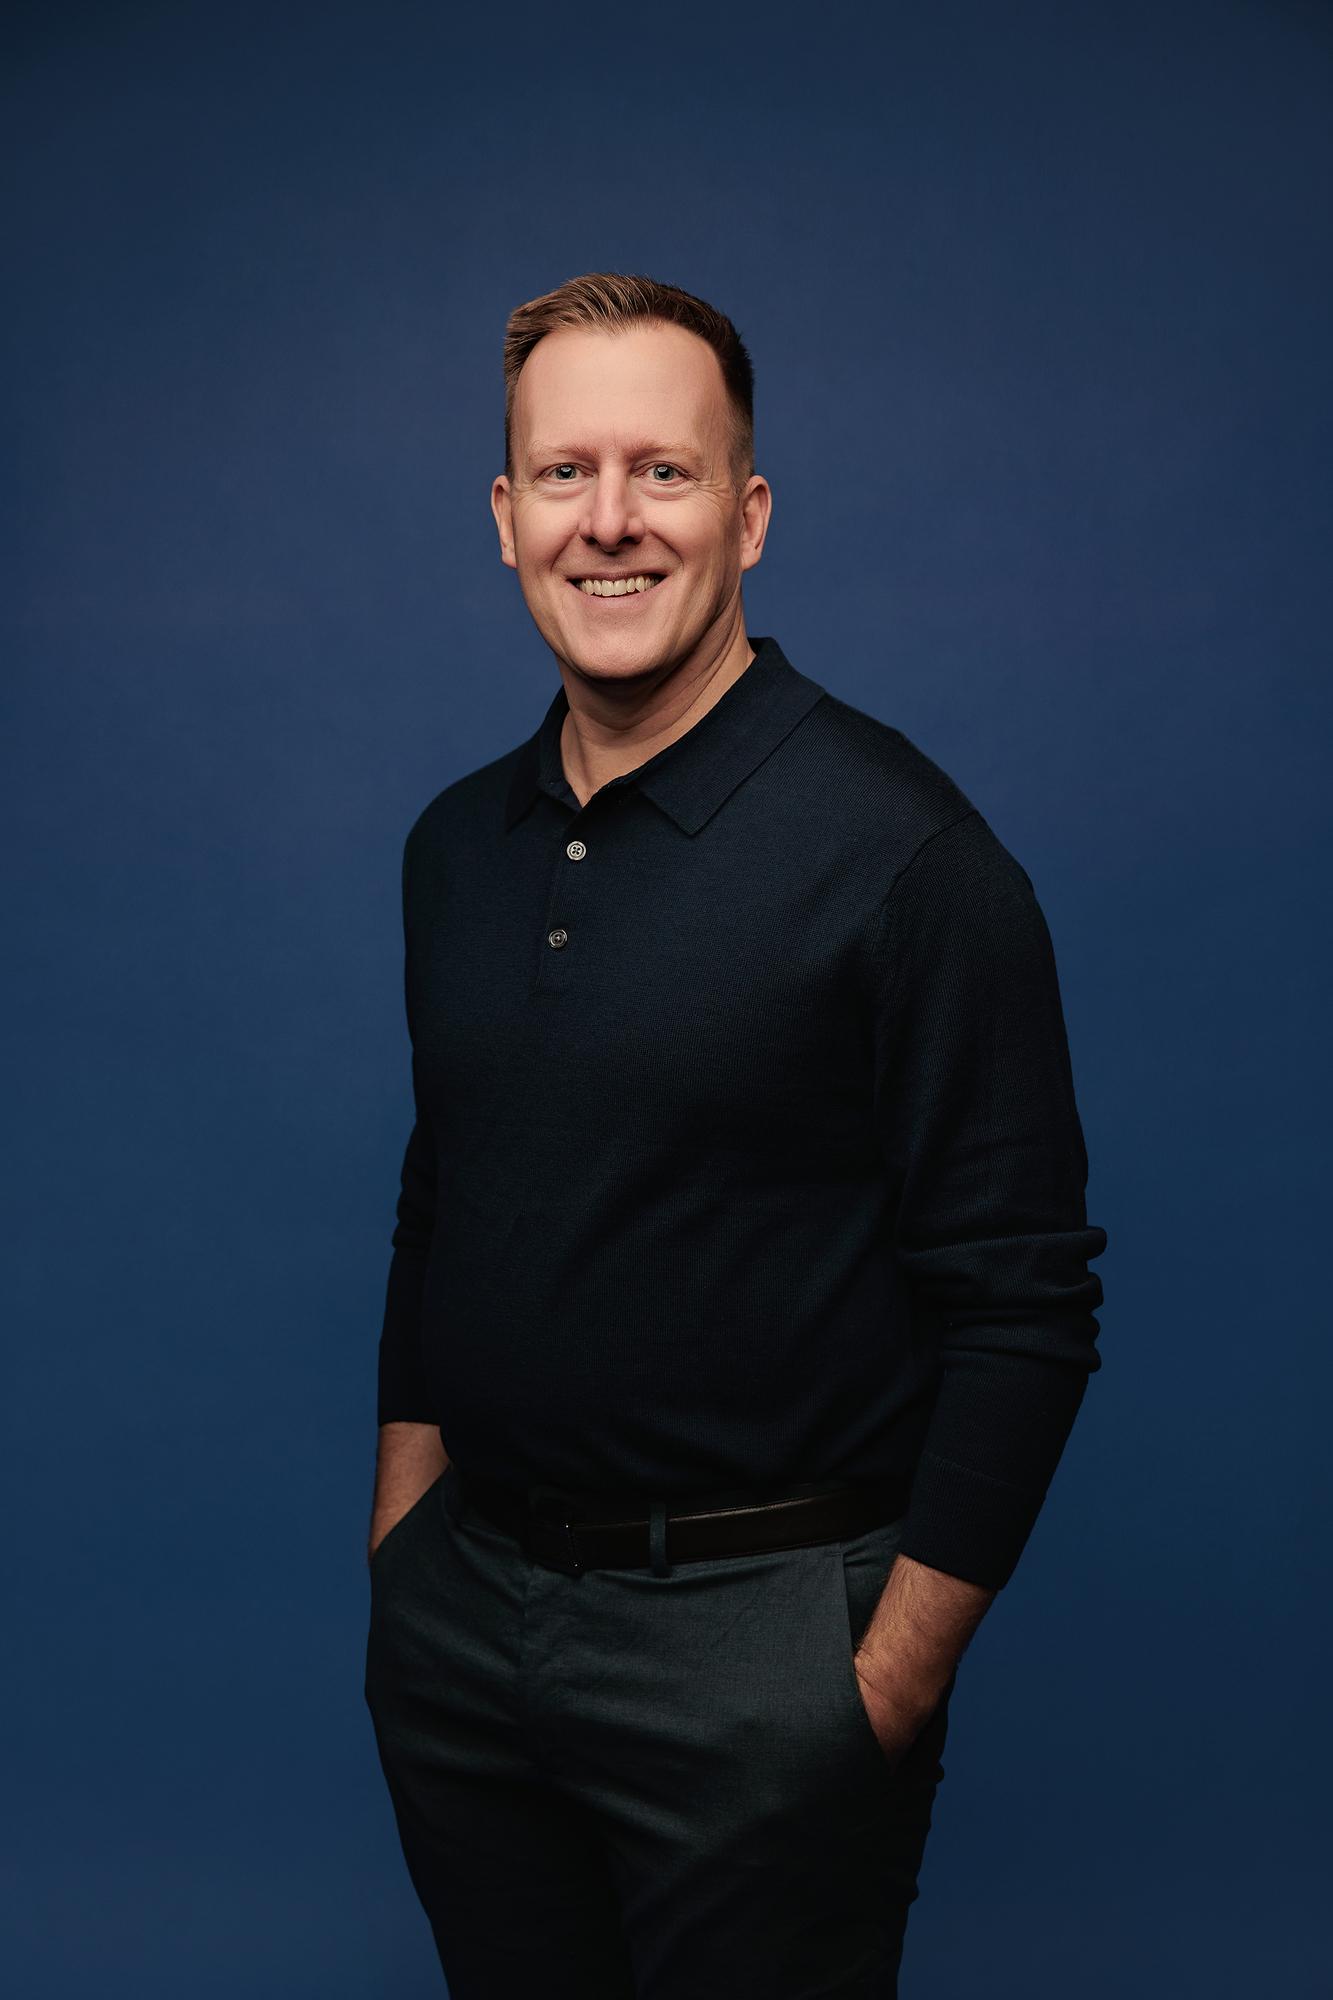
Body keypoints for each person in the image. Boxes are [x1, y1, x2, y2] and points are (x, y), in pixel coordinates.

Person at [362, 270, 1107, 1999]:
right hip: (469, 1629)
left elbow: (1024, 1300)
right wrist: (408, 1558)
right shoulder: (453, 847)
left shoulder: (908, 858)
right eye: (562, 475)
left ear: (747, 514)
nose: (608, 523)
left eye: (664, 473)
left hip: (765, 1649)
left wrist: (879, 1679)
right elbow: (443, 1193)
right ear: (502, 516)